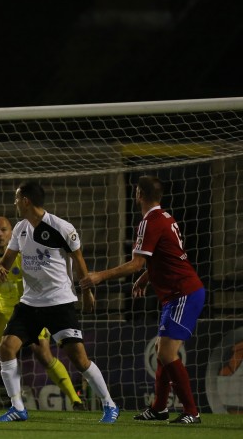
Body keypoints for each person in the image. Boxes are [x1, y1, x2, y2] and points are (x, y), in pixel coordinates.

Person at [80, 175, 205, 425]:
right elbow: (167, 255)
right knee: (161, 352)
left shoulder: (149, 221)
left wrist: (100, 276)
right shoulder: (165, 217)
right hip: (177, 294)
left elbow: (136, 263)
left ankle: (192, 412)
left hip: (183, 293)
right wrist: (146, 278)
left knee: (168, 353)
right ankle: (159, 408)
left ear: (138, 194)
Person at [0, 181, 119, 423]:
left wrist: (86, 292)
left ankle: (109, 404)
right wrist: (0, 269)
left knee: (80, 359)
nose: (15, 202)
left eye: (17, 198)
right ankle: (18, 408)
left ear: (26, 201)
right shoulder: (20, 229)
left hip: (59, 302)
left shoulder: (61, 227)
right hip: (29, 303)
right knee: (6, 347)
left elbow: (79, 262)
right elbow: (6, 261)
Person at [0, 217, 86, 411]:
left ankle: (76, 400)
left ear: (11, 233)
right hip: (2, 312)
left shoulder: (25, 255)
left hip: (29, 311)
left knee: (44, 354)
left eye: (3, 230)